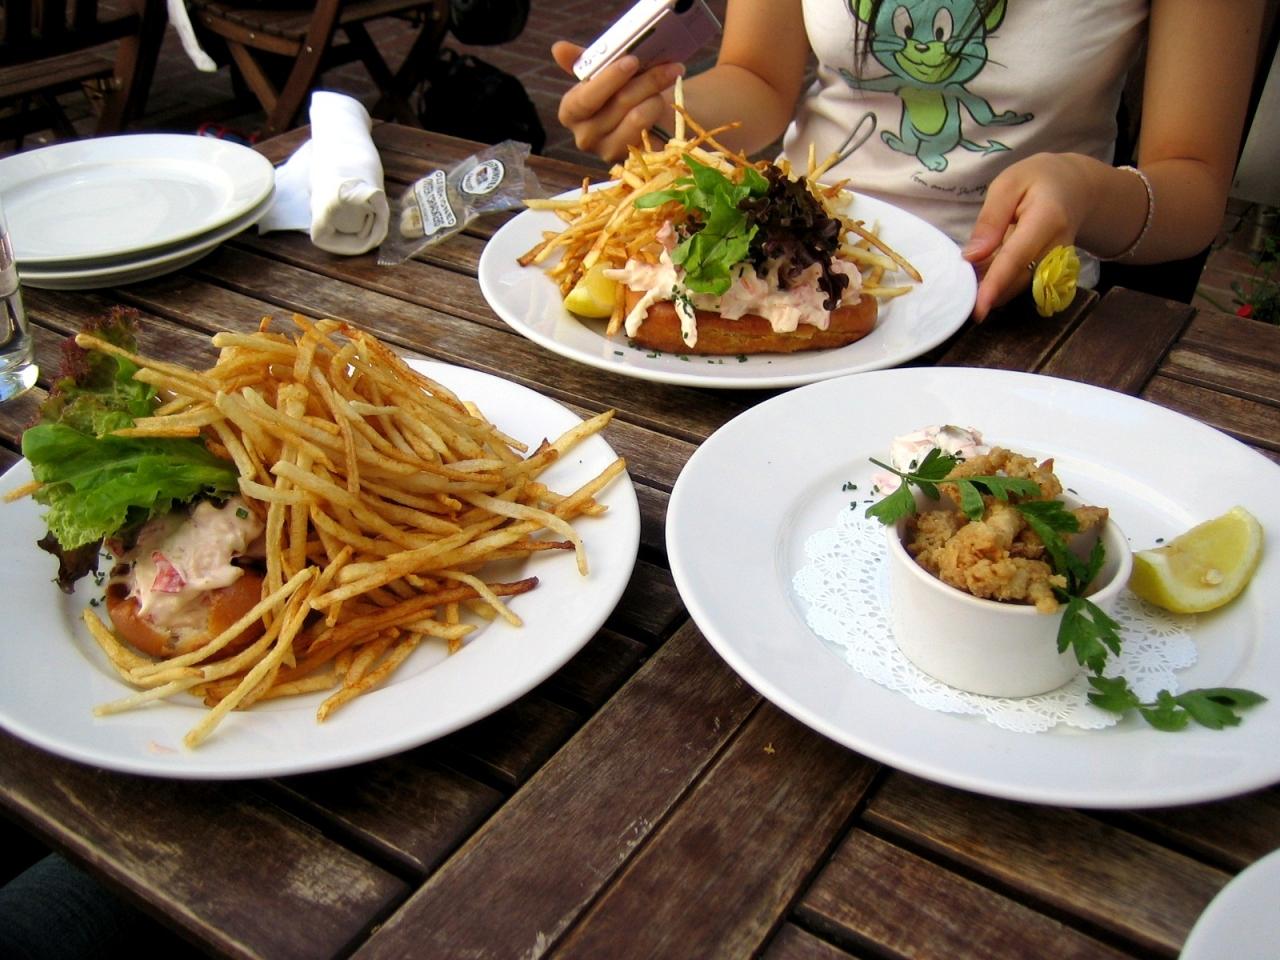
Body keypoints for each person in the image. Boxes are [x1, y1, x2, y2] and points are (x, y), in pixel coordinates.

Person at [551, 0, 1265, 319]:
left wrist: (1085, 190)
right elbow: (759, 80)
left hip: (1005, 308)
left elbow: (1194, 186)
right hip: (785, 276)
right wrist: (661, 113)